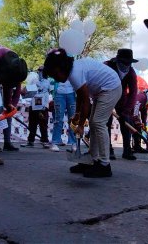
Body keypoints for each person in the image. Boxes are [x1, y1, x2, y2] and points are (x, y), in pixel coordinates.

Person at [43, 48, 121, 178]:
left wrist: (80, 125)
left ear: (61, 68)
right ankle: (93, 159)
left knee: (98, 123)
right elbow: (80, 96)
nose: (55, 78)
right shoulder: (73, 71)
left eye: (55, 74)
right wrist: (77, 115)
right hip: (101, 91)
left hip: (111, 87)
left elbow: (85, 101)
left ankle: (104, 165)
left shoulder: (75, 72)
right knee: (94, 122)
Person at [104, 49, 140, 160]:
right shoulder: (107, 66)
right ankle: (107, 149)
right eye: (124, 62)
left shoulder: (131, 72)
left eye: (128, 63)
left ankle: (127, 150)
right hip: (106, 94)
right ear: (117, 60)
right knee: (106, 122)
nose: (126, 65)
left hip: (121, 96)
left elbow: (133, 92)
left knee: (126, 121)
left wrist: (127, 110)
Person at [24, 66, 52, 150]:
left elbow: (49, 92)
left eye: (42, 71)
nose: (40, 72)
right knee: (32, 124)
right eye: (39, 70)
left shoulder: (48, 82)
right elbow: (28, 91)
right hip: (33, 105)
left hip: (43, 106)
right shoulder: (34, 80)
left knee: (43, 124)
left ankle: (45, 141)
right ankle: (30, 141)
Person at [51, 80, 77, 148]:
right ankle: (55, 142)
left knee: (73, 119)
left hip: (72, 93)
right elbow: (52, 79)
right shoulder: (58, 69)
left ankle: (73, 142)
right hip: (59, 92)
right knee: (58, 118)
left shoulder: (74, 69)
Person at [132, 88, 148, 153]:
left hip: (132, 114)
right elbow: (136, 107)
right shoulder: (142, 97)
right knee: (134, 129)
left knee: (138, 128)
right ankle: (133, 147)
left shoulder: (146, 100)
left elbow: (144, 113)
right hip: (128, 112)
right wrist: (136, 119)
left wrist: (144, 123)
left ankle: (137, 146)